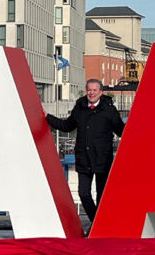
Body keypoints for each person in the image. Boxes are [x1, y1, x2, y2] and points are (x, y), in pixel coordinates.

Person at [46, 78, 124, 224]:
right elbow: (66, 126)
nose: (91, 93)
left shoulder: (109, 110)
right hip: (84, 159)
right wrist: (47, 117)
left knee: (102, 198)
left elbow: (122, 131)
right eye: (89, 89)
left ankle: (99, 228)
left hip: (103, 160)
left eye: (95, 90)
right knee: (83, 194)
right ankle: (97, 224)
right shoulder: (79, 108)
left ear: (100, 92)